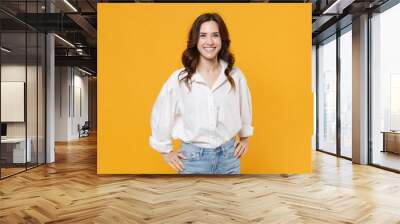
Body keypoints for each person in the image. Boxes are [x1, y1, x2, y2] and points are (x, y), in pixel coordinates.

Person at [149, 12, 253, 174]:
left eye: (215, 35)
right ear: (195, 40)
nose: (209, 42)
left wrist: (245, 139)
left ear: (222, 40)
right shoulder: (179, 79)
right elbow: (161, 113)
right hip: (192, 160)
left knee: (229, 200)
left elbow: (244, 108)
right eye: (203, 35)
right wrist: (165, 150)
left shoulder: (235, 75)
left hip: (229, 158)